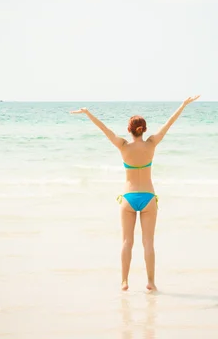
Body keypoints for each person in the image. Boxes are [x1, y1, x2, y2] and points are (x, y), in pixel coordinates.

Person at [70, 95, 200, 291]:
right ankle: (151, 282)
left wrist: (88, 113)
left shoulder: (123, 146)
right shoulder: (151, 144)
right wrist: (183, 105)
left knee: (126, 242)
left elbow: (104, 130)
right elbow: (168, 124)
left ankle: (124, 282)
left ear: (129, 130)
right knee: (148, 242)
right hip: (148, 197)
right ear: (144, 129)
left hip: (128, 198)